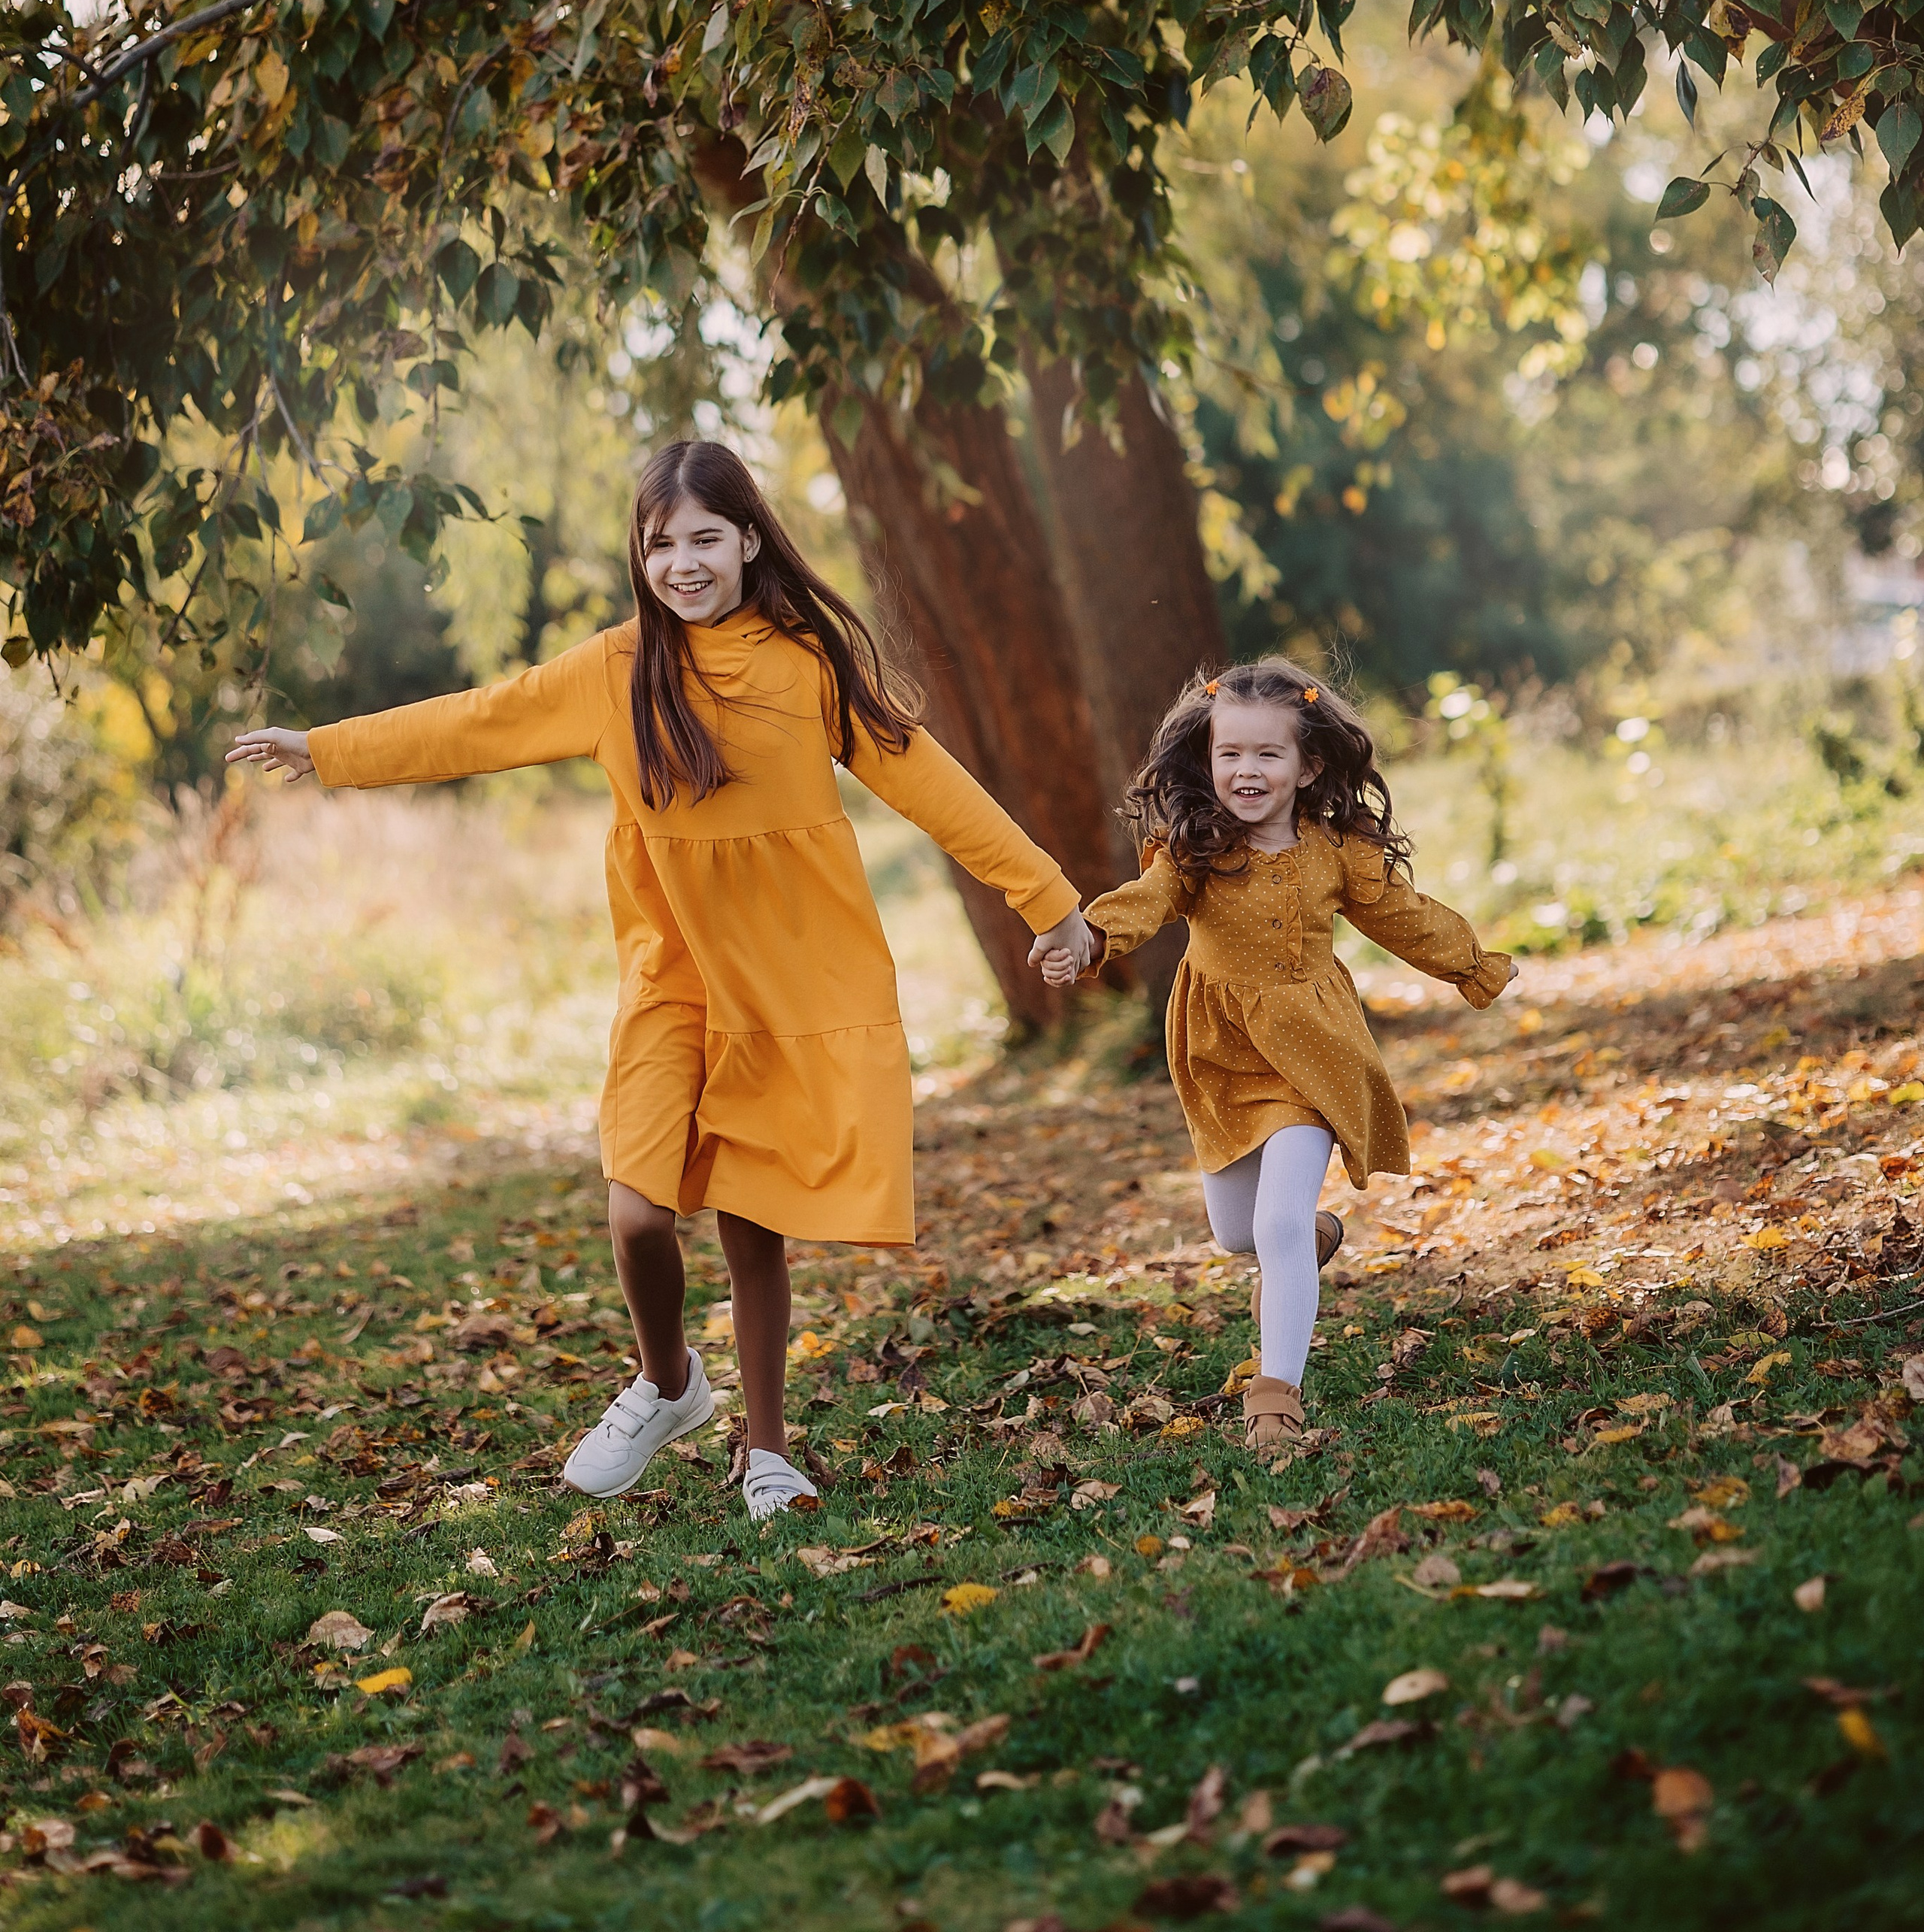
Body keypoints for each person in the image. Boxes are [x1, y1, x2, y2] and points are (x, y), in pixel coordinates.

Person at [226, 438, 1096, 1521]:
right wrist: (328, 749)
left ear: (749, 541)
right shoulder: (615, 669)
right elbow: (479, 720)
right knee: (638, 1213)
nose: (683, 563)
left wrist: (1047, 897)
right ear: (640, 555)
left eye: (704, 539)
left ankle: (768, 1452)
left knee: (752, 1222)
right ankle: (671, 1381)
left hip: (786, 982)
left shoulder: (810, 665)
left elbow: (932, 782)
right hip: (673, 977)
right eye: (660, 544)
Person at [1032, 658, 1511, 1458]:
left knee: (1276, 1223)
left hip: (1313, 1052)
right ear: (1207, 757)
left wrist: (1472, 964)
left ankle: (1275, 1399)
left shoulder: (1335, 851)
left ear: (1308, 765)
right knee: (1237, 1234)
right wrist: (1087, 938)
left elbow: (1402, 915)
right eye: (1230, 753)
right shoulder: (1193, 849)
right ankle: (1309, 1238)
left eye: (1267, 754)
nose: (1246, 771)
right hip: (1220, 1055)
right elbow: (1147, 903)